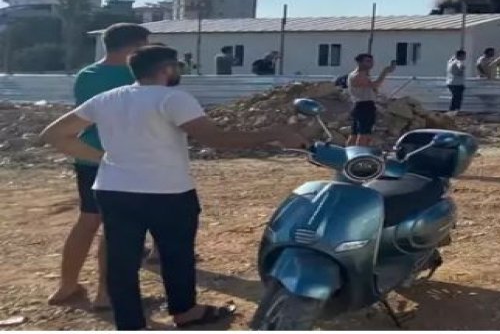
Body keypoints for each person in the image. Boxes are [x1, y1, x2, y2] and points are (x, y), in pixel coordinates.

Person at [39, 45, 306, 331]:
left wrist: (104, 158)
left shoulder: (106, 99)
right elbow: (215, 139)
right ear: (167, 69)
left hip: (114, 190)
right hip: (167, 192)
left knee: (122, 260)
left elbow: (54, 134)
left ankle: (130, 324)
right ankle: (185, 312)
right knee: (175, 255)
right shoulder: (174, 98)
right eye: (177, 67)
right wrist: (275, 133)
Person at [48, 23, 151, 309]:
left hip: (87, 154)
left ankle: (67, 285)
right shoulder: (136, 76)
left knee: (87, 220)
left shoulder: (87, 74)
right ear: (134, 47)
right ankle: (106, 293)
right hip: (122, 157)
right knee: (116, 227)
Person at [347, 53, 394, 146]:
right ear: (359, 62)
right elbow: (375, 85)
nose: (371, 64)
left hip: (363, 105)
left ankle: (349, 154)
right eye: (367, 61)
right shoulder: (357, 75)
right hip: (364, 105)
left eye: (371, 61)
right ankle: (359, 155)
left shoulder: (364, 75)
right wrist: (384, 72)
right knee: (363, 134)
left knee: (355, 133)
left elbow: (372, 89)